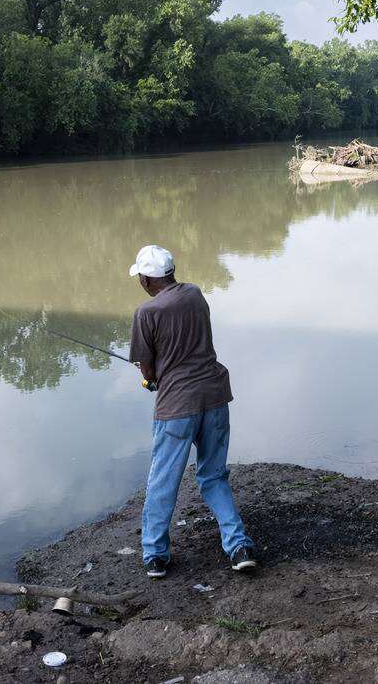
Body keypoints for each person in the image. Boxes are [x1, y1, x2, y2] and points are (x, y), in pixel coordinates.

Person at [127, 244, 256, 579]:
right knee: (213, 475)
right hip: (214, 395)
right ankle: (239, 547)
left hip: (177, 407)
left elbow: (148, 371)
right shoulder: (196, 294)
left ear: (145, 279)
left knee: (162, 480)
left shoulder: (146, 313)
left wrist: (152, 380)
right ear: (170, 272)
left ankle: (155, 555)